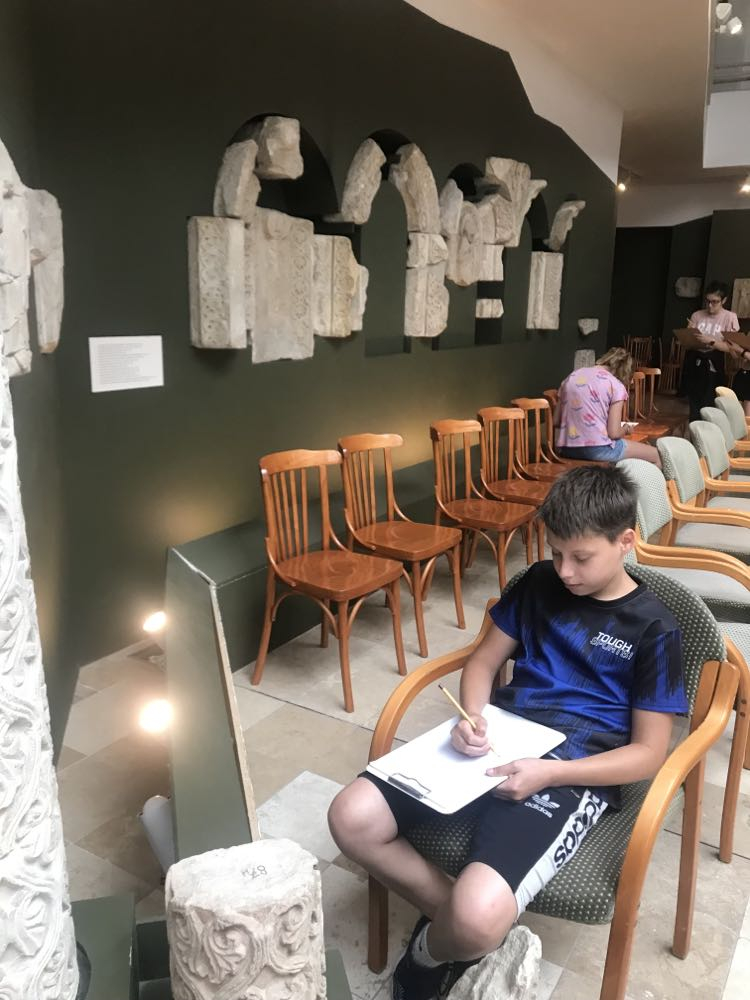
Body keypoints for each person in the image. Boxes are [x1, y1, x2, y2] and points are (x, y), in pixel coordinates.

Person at [328, 466, 687, 1000]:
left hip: (571, 771)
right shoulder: (539, 583)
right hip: (499, 737)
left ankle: (430, 953)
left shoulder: (654, 628)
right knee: (350, 816)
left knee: (476, 917)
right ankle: (464, 929)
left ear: (625, 541)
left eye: (581, 557)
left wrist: (551, 774)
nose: (565, 571)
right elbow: (482, 663)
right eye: (556, 552)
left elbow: (649, 753)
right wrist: (472, 715)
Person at [555, 347, 662, 467]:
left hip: (566, 449)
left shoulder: (572, 376)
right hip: (598, 450)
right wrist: (625, 429)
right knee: (657, 455)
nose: (631, 382)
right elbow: (614, 433)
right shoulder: (616, 385)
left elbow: (556, 421)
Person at [684, 281, 743, 421]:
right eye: (708, 301)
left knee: (710, 406)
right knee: (694, 405)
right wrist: (688, 334)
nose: (710, 305)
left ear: (724, 300)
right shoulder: (697, 315)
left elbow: (732, 349)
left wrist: (711, 341)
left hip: (714, 364)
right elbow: (687, 344)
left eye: (715, 302)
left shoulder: (730, 317)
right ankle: (694, 430)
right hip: (696, 361)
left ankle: (709, 433)